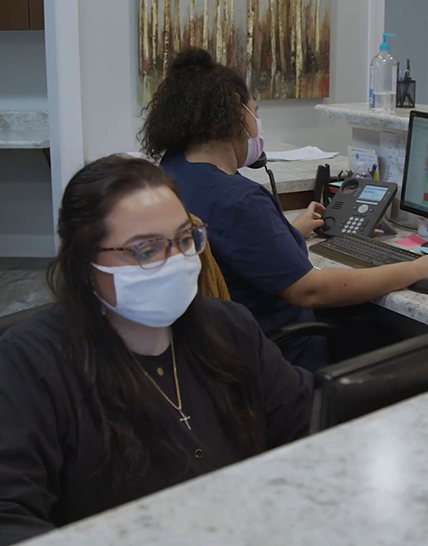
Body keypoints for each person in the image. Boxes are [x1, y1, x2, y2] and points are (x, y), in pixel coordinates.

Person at [0, 156, 312, 546]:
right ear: (84, 264)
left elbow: (310, 423)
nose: (176, 262)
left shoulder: (229, 327)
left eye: (184, 240)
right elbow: (9, 516)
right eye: (146, 251)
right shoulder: (32, 363)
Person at [141, 48, 428, 370]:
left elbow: (232, 245)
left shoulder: (172, 172)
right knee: (406, 341)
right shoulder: (239, 200)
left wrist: (292, 229)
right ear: (235, 115)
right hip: (282, 354)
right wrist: (418, 269)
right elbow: (310, 290)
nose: (257, 126)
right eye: (255, 113)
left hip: (221, 345)